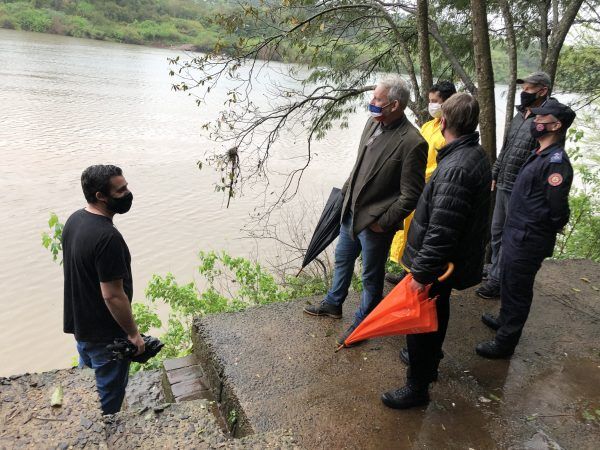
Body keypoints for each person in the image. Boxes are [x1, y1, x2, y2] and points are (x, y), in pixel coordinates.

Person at [381, 93, 491, 409]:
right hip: (449, 263)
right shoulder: (474, 155)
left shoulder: (456, 168)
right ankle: (429, 365)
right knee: (437, 311)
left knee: (420, 323)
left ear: (442, 122)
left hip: (437, 264)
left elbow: (442, 229)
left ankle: (417, 387)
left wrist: (421, 273)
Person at [303, 75, 428, 345]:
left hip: (375, 226)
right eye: (373, 98)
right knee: (342, 261)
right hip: (350, 214)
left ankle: (364, 322)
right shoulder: (372, 123)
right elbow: (358, 167)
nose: (371, 103)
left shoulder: (412, 142)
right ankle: (334, 303)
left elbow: (411, 195)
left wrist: (383, 223)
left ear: (394, 105)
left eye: (377, 100)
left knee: (372, 276)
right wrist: (343, 200)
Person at [476, 99, 575, 358]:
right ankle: (504, 320)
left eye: (543, 119)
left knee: (518, 289)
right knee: (509, 281)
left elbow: (557, 210)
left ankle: (505, 343)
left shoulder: (556, 162)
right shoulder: (539, 153)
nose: (537, 122)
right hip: (517, 233)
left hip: (528, 238)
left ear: (557, 125)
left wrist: (536, 230)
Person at [62, 165, 144, 415]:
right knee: (107, 402)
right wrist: (133, 335)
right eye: (121, 190)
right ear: (100, 196)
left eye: (126, 186)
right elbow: (112, 294)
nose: (128, 193)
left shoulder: (75, 220)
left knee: (86, 391)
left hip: (83, 329)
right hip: (107, 338)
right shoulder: (107, 237)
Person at [476, 72, 551, 299]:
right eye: (524, 88)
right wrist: (495, 172)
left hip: (521, 188)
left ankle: (499, 280)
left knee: (510, 235)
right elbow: (506, 148)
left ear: (543, 91)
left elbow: (542, 156)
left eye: (529, 89)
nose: (524, 92)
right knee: (496, 231)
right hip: (503, 182)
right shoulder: (520, 116)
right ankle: (497, 268)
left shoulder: (545, 119)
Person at [386, 81, 457, 285]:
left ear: (448, 102)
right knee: (409, 229)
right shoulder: (428, 125)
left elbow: (443, 163)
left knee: (422, 232)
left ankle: (414, 272)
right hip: (415, 185)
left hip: (430, 187)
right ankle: (405, 268)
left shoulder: (450, 131)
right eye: (430, 101)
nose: (431, 105)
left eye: (435, 101)